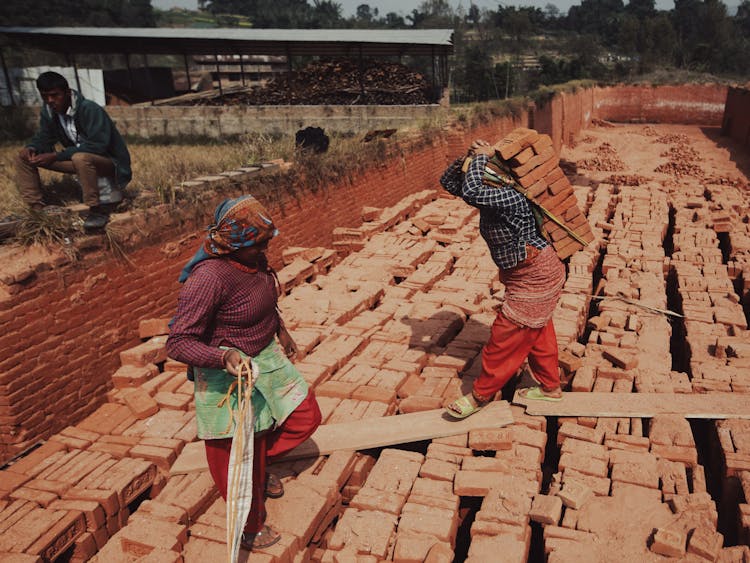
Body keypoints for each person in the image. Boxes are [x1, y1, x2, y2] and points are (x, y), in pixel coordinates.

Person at [166, 195, 322, 550]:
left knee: (305, 416)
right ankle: (249, 525)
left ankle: (259, 466)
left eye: (266, 241)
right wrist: (223, 358)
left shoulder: (254, 262)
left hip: (264, 357)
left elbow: (262, 299)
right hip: (225, 372)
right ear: (233, 245)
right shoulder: (209, 279)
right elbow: (177, 343)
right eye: (259, 243)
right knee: (232, 454)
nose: (266, 248)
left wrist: (280, 329)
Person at [440, 139, 567, 418]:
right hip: (525, 273)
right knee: (537, 331)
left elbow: (472, 190)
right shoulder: (492, 193)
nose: (483, 176)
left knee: (505, 337)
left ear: (506, 176)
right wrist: (468, 156)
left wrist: (481, 159)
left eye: (488, 171)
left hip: (537, 275)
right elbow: (449, 183)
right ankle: (550, 388)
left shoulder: (513, 197)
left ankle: (480, 395)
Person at [15, 71, 132, 229]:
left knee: (80, 157)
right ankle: (37, 209)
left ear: (67, 93)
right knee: (23, 157)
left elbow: (98, 145)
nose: (50, 100)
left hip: (108, 163)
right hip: (79, 162)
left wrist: (56, 155)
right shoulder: (50, 112)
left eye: (55, 95)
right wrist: (32, 147)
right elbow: (44, 137)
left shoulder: (89, 109)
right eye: (45, 96)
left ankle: (97, 209)